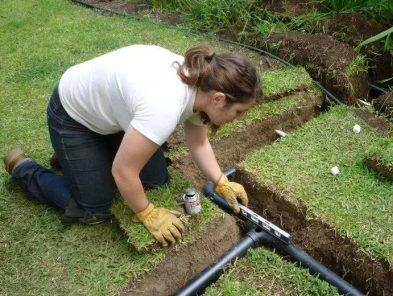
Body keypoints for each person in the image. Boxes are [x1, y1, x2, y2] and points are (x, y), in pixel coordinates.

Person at [3, 44, 262, 247]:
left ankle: (79, 157)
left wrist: (220, 181)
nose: (239, 119)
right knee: (95, 207)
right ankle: (25, 168)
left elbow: (198, 141)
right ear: (218, 99)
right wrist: (147, 212)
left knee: (155, 179)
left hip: (112, 115)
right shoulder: (164, 105)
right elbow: (123, 172)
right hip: (72, 116)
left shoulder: (202, 82)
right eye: (239, 111)